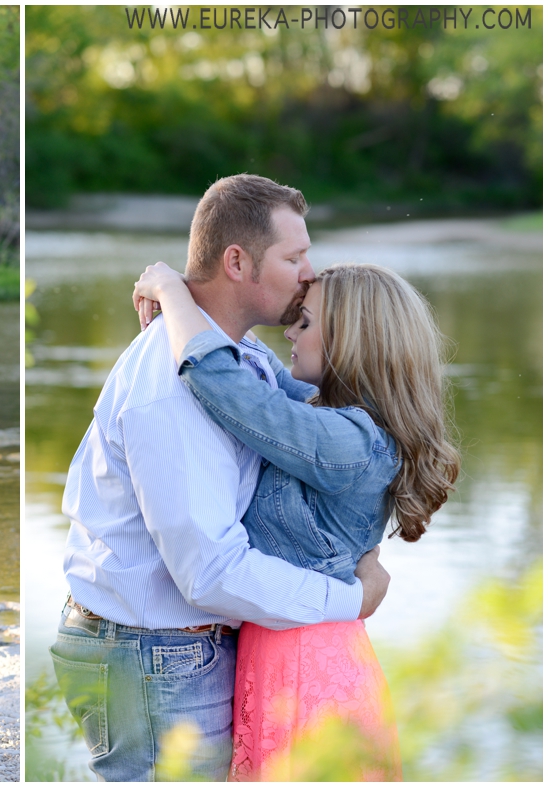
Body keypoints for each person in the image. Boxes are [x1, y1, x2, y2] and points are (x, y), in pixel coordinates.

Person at [52, 175, 391, 782]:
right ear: (238, 262)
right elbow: (211, 570)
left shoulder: (243, 359)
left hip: (177, 650)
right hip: (156, 654)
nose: (309, 273)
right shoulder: (177, 387)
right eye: (294, 257)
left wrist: (172, 291)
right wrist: (351, 599)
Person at [134, 260, 460, 779]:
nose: (289, 330)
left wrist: (174, 295)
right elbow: (263, 377)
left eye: (304, 323)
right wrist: (209, 304)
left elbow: (228, 387)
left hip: (306, 664)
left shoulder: (348, 444)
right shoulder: (334, 420)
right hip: (291, 646)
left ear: (351, 344)